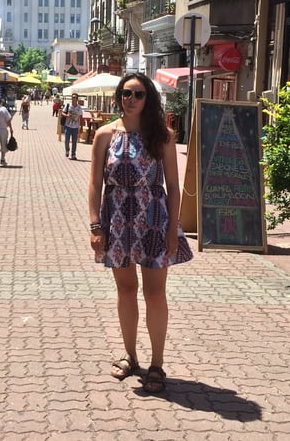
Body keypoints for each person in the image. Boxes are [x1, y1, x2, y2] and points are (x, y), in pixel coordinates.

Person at [88, 73, 193, 394]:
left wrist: (173, 229)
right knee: (125, 289)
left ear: (149, 99)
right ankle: (130, 355)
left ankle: (157, 362)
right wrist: (95, 225)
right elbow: (95, 183)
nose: (130, 99)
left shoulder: (162, 135)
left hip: (153, 218)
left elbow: (173, 185)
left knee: (155, 293)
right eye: (125, 93)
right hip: (117, 218)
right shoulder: (104, 135)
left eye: (138, 94)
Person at [61, 93, 84, 160]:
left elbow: (81, 118)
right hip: (67, 126)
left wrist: (81, 127)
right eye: (72, 97)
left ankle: (73, 154)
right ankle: (67, 150)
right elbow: (62, 112)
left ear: (77, 99)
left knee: (74, 142)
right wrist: (67, 115)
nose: (73, 99)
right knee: (66, 140)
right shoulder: (68, 105)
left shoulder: (79, 108)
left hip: (75, 127)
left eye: (75, 97)